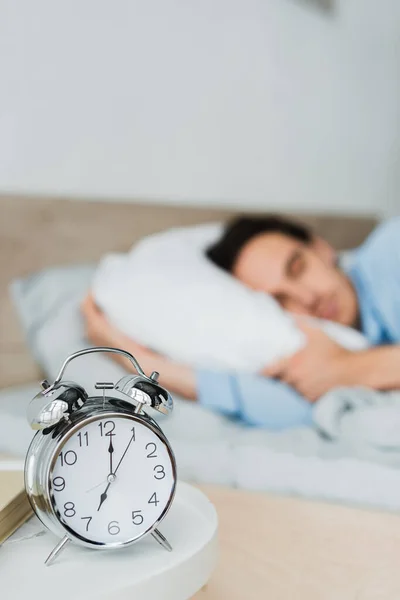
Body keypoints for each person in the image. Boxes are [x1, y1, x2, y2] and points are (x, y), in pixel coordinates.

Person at [81, 215, 400, 429]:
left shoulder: (390, 254)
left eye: (297, 267)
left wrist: (350, 370)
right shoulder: (316, 347)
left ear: (320, 247)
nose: (306, 298)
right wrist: (134, 356)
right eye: (280, 300)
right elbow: (287, 409)